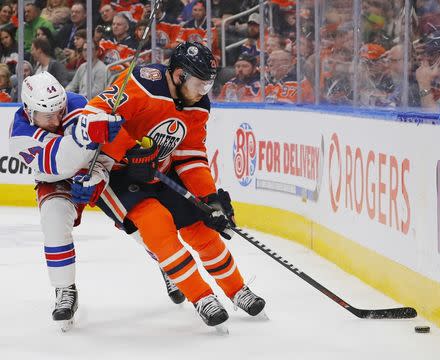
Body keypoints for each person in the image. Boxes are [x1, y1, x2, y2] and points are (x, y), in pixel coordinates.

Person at [72, 41, 266, 330]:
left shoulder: (198, 105)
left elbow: (191, 155)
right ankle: (201, 297)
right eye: (199, 84)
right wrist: (128, 149)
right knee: (158, 226)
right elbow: (92, 116)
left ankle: (237, 289)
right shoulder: (140, 83)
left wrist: (209, 198)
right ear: (178, 76)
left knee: (202, 227)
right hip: (113, 174)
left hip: (158, 169)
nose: (204, 92)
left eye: (207, 85)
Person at [9, 72, 184, 331]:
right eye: (48, 116)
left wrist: (98, 176)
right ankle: (65, 289)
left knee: (135, 218)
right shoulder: (19, 135)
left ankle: (169, 267)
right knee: (53, 221)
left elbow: (100, 150)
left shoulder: (76, 103)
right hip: (55, 177)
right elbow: (61, 161)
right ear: (29, 110)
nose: (56, 118)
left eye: (59, 111)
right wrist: (87, 134)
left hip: (95, 169)